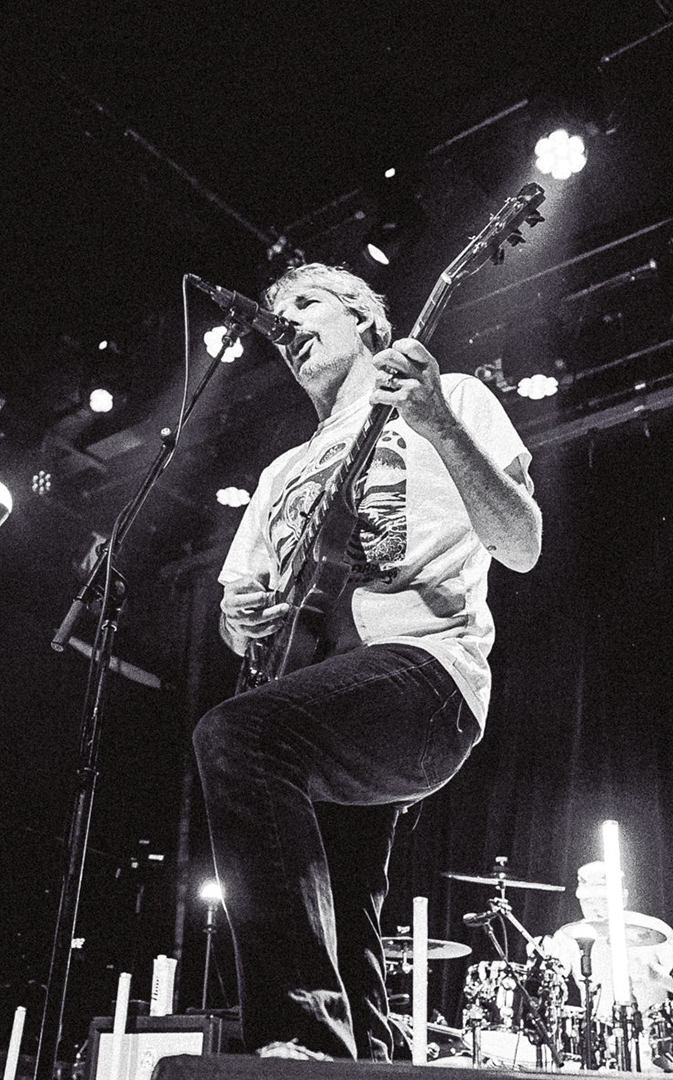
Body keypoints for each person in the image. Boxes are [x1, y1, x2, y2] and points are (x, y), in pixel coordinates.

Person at [192, 263, 541, 1061]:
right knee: (344, 909)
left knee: (237, 735)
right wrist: (239, 619)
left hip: (426, 673)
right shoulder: (281, 472)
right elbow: (241, 624)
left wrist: (438, 422)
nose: (286, 324)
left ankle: (297, 1033)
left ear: (366, 322)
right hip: (323, 696)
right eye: (276, 313)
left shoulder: (449, 399)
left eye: (307, 302)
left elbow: (522, 544)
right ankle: (364, 1061)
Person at [541, 862, 673, 1021]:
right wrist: (541, 957)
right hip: (595, 1035)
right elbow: (550, 985)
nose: (595, 908)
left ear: (623, 898)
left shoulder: (654, 929)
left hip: (651, 1033)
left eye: (604, 900)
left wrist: (658, 976)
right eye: (588, 900)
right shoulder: (568, 935)